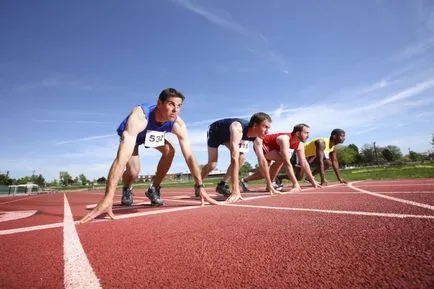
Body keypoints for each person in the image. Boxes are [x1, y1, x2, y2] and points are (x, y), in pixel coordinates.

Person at [80, 88, 219, 224]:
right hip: (133, 134)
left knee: (170, 151)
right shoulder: (140, 117)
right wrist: (108, 196)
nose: (175, 110)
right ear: (159, 103)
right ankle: (127, 188)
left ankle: (154, 188)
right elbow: (121, 159)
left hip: (151, 134)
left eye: (179, 106)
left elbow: (189, 156)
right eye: (171, 104)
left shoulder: (178, 124)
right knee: (134, 172)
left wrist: (200, 186)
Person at [198, 113, 273, 203]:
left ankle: (222, 184)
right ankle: (198, 183)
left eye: (268, 128)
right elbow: (234, 157)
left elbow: (262, 159)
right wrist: (235, 190)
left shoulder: (258, 137)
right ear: (255, 125)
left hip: (228, 136)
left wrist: (269, 184)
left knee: (241, 158)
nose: (267, 132)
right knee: (212, 164)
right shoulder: (238, 128)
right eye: (265, 127)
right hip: (216, 132)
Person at [240, 123, 320, 192]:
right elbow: (287, 163)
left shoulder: (300, 145)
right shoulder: (284, 139)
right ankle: (271, 183)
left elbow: (304, 163)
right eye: (306, 133)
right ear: (297, 133)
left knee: (264, 173)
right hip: (263, 144)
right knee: (282, 159)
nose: (308, 136)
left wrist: (313, 181)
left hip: (273, 149)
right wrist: (295, 184)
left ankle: (244, 180)